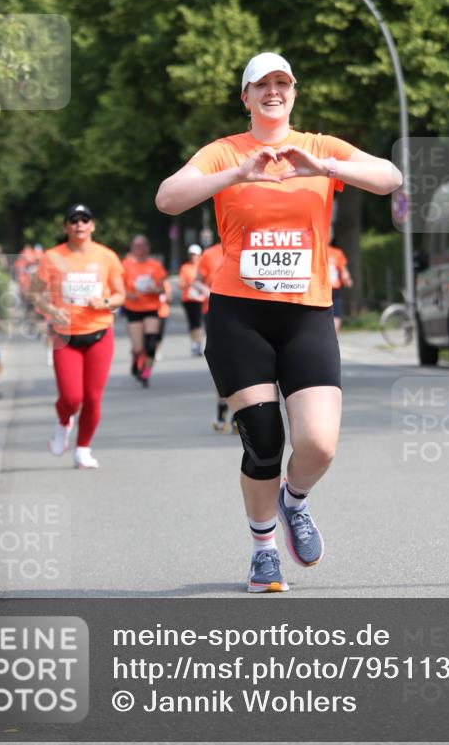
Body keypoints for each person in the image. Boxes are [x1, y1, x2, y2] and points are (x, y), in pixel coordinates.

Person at [156, 51, 402, 593]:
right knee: (264, 440)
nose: (273, 91)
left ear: (293, 92)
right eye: (261, 84)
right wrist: (235, 173)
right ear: (244, 97)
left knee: (318, 444)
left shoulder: (319, 148)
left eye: (282, 83)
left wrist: (326, 169)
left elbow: (389, 177)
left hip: (306, 313)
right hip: (239, 315)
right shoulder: (224, 151)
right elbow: (167, 198)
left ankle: (295, 501)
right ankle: (263, 548)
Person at [32, 204, 125, 469]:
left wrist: (105, 302)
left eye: (85, 219)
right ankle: (63, 421)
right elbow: (35, 294)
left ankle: (83, 449)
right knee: (72, 398)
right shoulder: (52, 257)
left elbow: (120, 295)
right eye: (73, 220)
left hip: (99, 333)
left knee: (93, 398)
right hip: (65, 336)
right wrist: (51, 310)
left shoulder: (106, 256)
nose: (79, 224)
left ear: (93, 226)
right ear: (66, 227)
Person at [121, 234, 167, 387]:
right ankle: (136, 359)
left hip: (151, 308)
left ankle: (146, 372)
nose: (140, 249)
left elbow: (162, 288)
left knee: (151, 343)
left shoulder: (155, 265)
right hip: (133, 308)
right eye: (136, 246)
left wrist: (156, 289)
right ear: (132, 248)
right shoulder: (125, 265)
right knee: (138, 347)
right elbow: (118, 288)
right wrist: (128, 295)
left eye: (143, 245)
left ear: (147, 247)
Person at [198, 240, 231, 433]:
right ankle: (221, 409)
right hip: (214, 311)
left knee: (244, 364)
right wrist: (205, 290)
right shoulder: (209, 254)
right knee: (223, 365)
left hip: (245, 313)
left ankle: (238, 415)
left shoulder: (252, 245)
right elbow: (196, 279)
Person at [178, 245, 208, 356]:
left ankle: (198, 343)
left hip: (201, 298)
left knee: (198, 322)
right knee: (192, 322)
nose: (193, 257)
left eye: (195, 255)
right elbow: (180, 284)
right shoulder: (185, 267)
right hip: (188, 298)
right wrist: (190, 283)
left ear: (200, 255)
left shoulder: (203, 266)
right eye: (191, 255)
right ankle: (194, 343)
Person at [328, 238, 353, 333]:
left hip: (326, 289)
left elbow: (343, 272)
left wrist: (346, 279)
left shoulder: (316, 250)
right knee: (336, 315)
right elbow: (344, 272)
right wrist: (347, 280)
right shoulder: (337, 253)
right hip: (331, 289)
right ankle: (333, 337)